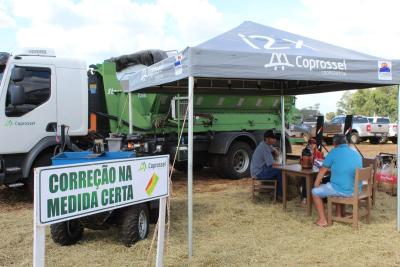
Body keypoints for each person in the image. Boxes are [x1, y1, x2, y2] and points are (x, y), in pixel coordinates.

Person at [312, 134, 362, 227]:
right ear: (346, 142)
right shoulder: (355, 153)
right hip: (356, 190)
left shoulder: (334, 152)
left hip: (342, 190)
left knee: (315, 192)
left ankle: (322, 220)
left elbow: (323, 170)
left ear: (334, 144)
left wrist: (316, 183)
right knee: (336, 183)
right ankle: (339, 214)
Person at [250, 129, 282, 195]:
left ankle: (275, 191)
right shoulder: (265, 148)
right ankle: (280, 194)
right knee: (280, 171)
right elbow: (271, 164)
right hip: (258, 173)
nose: (275, 140)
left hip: (257, 170)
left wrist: (275, 150)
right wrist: (282, 165)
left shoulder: (264, 144)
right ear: (267, 139)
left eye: (275, 138)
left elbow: (272, 148)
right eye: (272, 138)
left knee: (277, 171)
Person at [300, 138, 324, 204]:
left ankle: (314, 197)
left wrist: (317, 161)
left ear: (316, 144)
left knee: (315, 178)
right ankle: (305, 197)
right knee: (304, 178)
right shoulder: (305, 151)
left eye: (313, 143)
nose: (312, 145)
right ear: (308, 144)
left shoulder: (319, 153)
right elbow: (301, 162)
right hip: (308, 170)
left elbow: (322, 164)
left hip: (317, 172)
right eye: (310, 143)